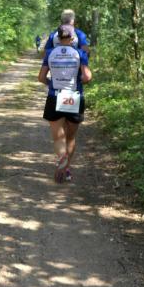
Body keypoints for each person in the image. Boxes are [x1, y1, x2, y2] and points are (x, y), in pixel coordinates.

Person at [38, 24, 92, 183]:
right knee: (71, 136)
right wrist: (78, 82)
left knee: (58, 137)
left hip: (55, 96)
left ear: (58, 37)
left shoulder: (50, 53)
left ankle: (61, 157)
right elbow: (87, 77)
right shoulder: (80, 53)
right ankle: (67, 168)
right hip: (74, 96)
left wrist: (51, 84)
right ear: (72, 38)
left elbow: (41, 77)